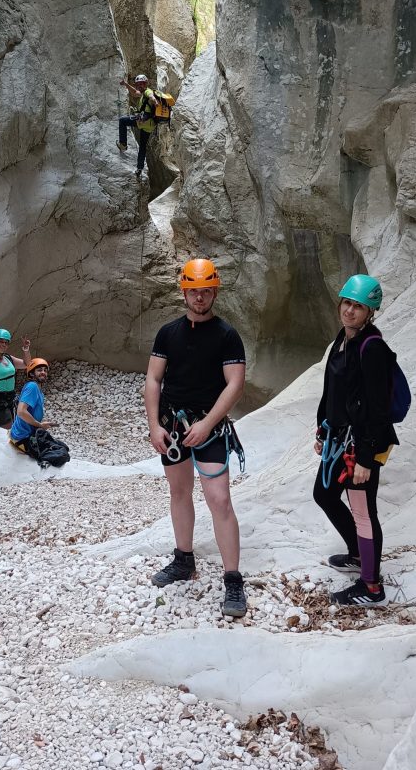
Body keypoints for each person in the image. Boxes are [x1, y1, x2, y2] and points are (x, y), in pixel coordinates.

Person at [144, 258, 248, 618]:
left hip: (210, 427)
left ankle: (233, 579)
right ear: (184, 292)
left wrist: (208, 423)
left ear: (214, 292)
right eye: (193, 291)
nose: (199, 298)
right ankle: (183, 558)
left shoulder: (226, 335)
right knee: (178, 491)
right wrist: (155, 425)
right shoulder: (168, 333)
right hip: (173, 425)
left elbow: (235, 383)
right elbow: (153, 380)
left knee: (219, 501)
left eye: (205, 291)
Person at [313, 274, 399, 607]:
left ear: (370, 312)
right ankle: (358, 554)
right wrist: (322, 428)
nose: (350, 311)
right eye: (347, 303)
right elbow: (332, 389)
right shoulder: (344, 338)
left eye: (358, 307)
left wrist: (365, 458)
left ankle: (371, 587)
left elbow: (378, 411)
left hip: (360, 445)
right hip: (339, 437)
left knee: (363, 511)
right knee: (325, 494)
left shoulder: (371, 347)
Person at [9, 358, 53, 450]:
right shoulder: (32, 386)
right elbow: (21, 412)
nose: (43, 372)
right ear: (32, 374)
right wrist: (40, 425)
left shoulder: (37, 388)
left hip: (28, 432)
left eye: (45, 370)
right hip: (22, 437)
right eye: (39, 370)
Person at [118, 74, 156, 177]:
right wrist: (126, 84)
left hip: (143, 121)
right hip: (148, 125)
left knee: (122, 121)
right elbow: (135, 93)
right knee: (142, 146)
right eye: (138, 84)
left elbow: (151, 95)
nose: (139, 86)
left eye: (141, 84)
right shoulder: (142, 93)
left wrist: (154, 100)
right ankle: (139, 168)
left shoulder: (148, 92)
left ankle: (123, 144)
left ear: (145, 84)